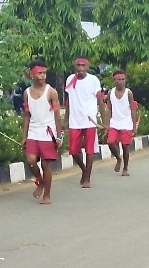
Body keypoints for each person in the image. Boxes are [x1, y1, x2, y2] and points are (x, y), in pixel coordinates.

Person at [21, 61, 62, 204]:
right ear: (32, 74)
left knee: (46, 164)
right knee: (31, 160)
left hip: (47, 133)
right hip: (33, 132)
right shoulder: (26, 93)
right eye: (39, 73)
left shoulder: (51, 92)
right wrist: (24, 136)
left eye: (44, 73)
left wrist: (59, 136)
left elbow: (57, 116)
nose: (43, 76)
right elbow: (26, 115)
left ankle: (47, 195)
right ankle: (40, 181)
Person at [64, 57, 106, 188]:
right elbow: (69, 101)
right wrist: (65, 120)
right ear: (74, 66)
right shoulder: (70, 79)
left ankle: (87, 177)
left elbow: (100, 101)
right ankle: (84, 169)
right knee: (74, 151)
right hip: (75, 121)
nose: (80, 68)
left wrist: (105, 121)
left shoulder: (93, 80)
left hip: (89, 121)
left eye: (83, 65)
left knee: (89, 150)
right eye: (78, 65)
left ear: (87, 67)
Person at [105, 70, 140, 176]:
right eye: (119, 79)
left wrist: (134, 126)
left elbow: (133, 109)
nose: (121, 81)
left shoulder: (128, 93)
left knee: (125, 146)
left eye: (123, 79)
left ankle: (125, 168)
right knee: (110, 142)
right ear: (114, 80)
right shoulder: (110, 93)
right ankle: (118, 159)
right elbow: (109, 109)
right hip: (114, 123)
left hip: (126, 123)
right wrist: (107, 124)